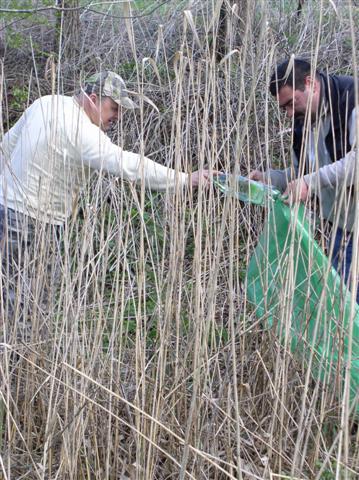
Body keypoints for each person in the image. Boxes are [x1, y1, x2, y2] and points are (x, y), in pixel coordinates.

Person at [0, 70, 212, 327]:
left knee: (10, 296)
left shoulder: (45, 103)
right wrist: (184, 179)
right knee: (28, 307)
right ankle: (16, 363)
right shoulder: (83, 132)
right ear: (92, 99)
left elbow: (7, 146)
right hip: (35, 223)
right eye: (114, 108)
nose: (117, 117)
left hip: (5, 210)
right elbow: (129, 165)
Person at [250, 58, 358, 300]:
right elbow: (303, 173)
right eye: (284, 108)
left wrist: (309, 182)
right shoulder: (303, 123)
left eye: (291, 103)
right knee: (345, 309)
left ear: (311, 83)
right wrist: (270, 178)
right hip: (342, 229)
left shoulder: (352, 98)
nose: (289, 114)